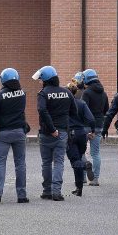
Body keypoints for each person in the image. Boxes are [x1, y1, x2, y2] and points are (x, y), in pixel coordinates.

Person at [34, 65, 78, 201]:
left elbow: (42, 110)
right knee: (59, 162)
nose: (40, 82)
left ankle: (47, 191)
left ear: (46, 79)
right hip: (62, 132)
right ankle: (56, 192)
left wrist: (52, 128)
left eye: (41, 79)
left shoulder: (43, 93)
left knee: (46, 162)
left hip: (46, 133)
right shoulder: (67, 92)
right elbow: (74, 111)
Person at [0, 68, 30, 204]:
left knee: (0, 163)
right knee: (20, 164)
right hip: (19, 132)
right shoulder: (22, 94)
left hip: (3, 133)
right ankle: (22, 195)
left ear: (3, 80)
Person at [66, 81, 96, 196]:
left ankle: (85, 165)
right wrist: (92, 130)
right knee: (78, 158)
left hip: (70, 134)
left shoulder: (65, 105)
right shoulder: (82, 103)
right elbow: (91, 119)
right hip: (82, 133)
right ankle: (79, 189)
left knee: (75, 161)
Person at [81, 68, 109, 186]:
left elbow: (83, 109)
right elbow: (106, 110)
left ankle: (82, 178)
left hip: (86, 126)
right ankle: (95, 179)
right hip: (98, 126)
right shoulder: (104, 93)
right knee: (95, 153)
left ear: (87, 79)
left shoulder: (86, 93)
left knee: (81, 151)